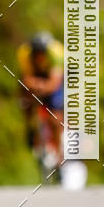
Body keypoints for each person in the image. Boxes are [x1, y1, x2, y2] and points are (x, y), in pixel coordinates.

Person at [17, 31, 64, 163]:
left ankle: (59, 154)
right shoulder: (24, 53)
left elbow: (54, 83)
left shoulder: (57, 52)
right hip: (38, 76)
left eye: (41, 54)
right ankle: (31, 129)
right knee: (24, 100)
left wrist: (40, 86)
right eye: (36, 54)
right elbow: (26, 79)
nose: (39, 57)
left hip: (55, 78)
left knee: (54, 116)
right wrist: (32, 91)